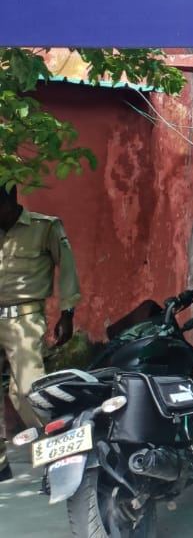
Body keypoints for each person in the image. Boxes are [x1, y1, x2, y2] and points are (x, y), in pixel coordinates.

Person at [0, 184, 82, 482]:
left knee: (26, 391)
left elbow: (67, 267)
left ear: (11, 200)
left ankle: (57, 452)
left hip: (24, 318)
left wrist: (67, 312)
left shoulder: (44, 227)